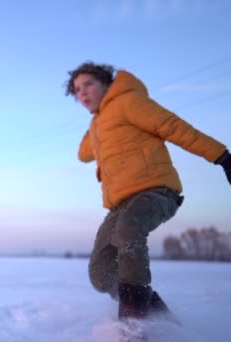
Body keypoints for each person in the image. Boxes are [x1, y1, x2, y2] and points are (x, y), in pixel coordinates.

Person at [65, 61, 231, 320]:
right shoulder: (99, 124)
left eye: (89, 84)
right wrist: (96, 123)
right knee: (100, 271)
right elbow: (83, 154)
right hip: (120, 204)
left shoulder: (129, 102)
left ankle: (133, 318)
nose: (83, 93)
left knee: (128, 230)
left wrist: (221, 156)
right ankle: (155, 311)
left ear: (106, 83)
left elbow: (174, 127)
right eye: (77, 90)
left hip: (157, 191)